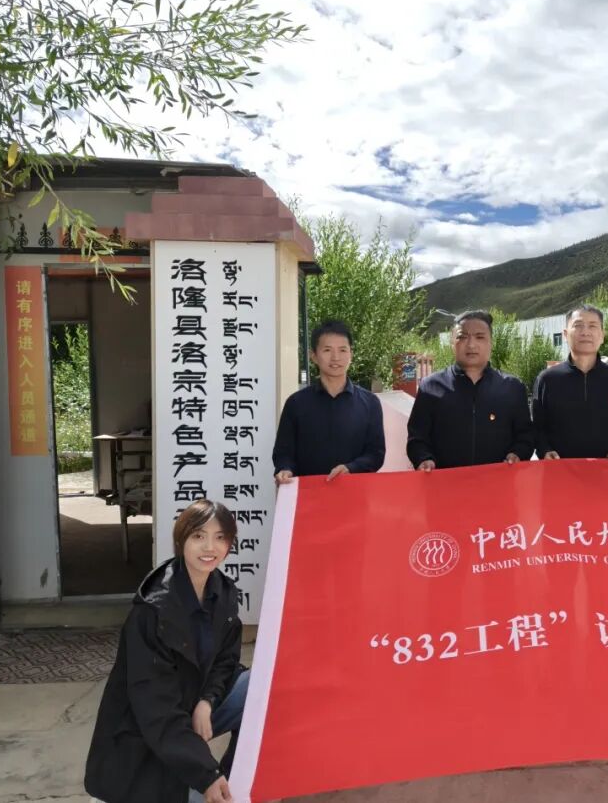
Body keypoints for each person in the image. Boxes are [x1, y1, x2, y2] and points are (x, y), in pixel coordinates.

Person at [86, 499, 249, 803]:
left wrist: (207, 700)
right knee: (185, 783)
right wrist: (206, 773)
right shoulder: (152, 610)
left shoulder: (223, 591)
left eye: (220, 537)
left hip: (192, 708)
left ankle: (237, 783)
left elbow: (226, 660)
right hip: (149, 730)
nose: (209, 547)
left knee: (261, 690)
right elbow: (156, 708)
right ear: (181, 540)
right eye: (198, 536)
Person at [407, 309, 534, 470]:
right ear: (452, 343)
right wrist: (423, 458)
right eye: (462, 337)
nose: (471, 344)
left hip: (499, 481)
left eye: (480, 337)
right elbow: (417, 438)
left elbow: (525, 436)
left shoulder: (512, 388)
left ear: (491, 343)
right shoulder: (430, 387)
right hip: (445, 483)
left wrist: (517, 453)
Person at [272, 319, 385, 483]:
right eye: (327, 350)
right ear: (313, 356)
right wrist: (284, 469)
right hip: (309, 493)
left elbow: (376, 454)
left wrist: (351, 468)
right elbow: (283, 453)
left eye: (342, 350)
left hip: (355, 491)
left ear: (351, 354)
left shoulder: (370, 403)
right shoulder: (296, 403)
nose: (336, 357)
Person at [531, 304, 608, 460]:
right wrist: (545, 451)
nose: (585, 332)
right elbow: (537, 428)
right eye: (578, 325)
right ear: (565, 334)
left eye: (592, 326)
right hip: (559, 470)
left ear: (602, 335)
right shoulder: (547, 380)